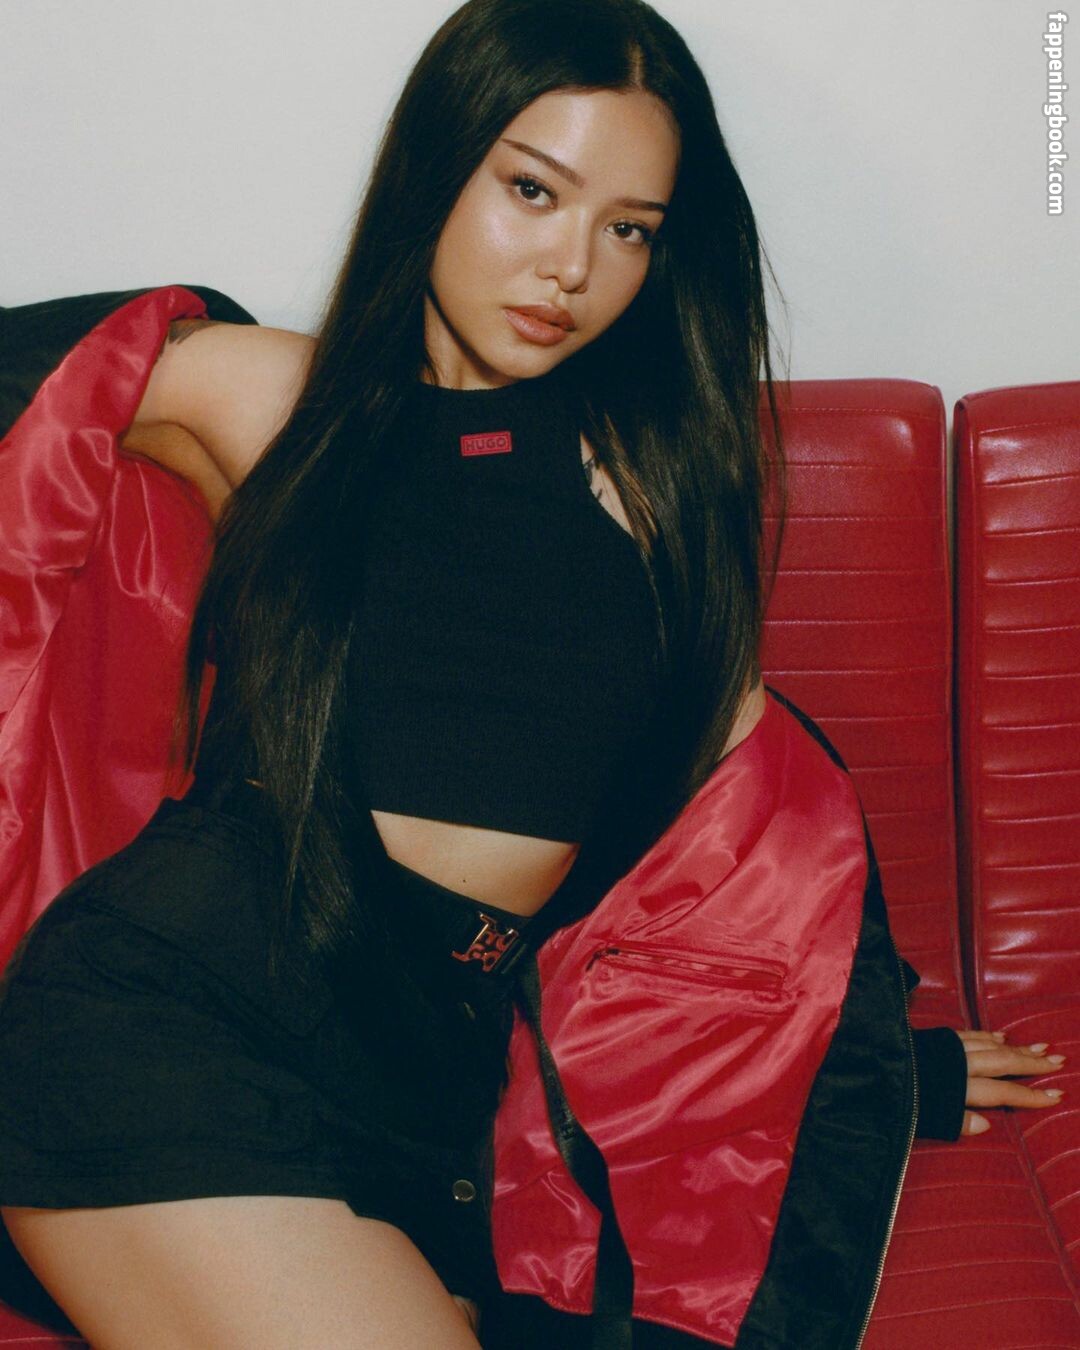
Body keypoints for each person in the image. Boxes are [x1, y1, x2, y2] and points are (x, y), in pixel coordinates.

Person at [0, 0, 1064, 1345]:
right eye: (532, 191)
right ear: (437, 166)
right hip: (165, 1024)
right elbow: (40, 391)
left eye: (630, 229)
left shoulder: (655, 490)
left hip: (423, 1106)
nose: (571, 266)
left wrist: (864, 1075)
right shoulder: (278, 401)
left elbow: (726, 867)